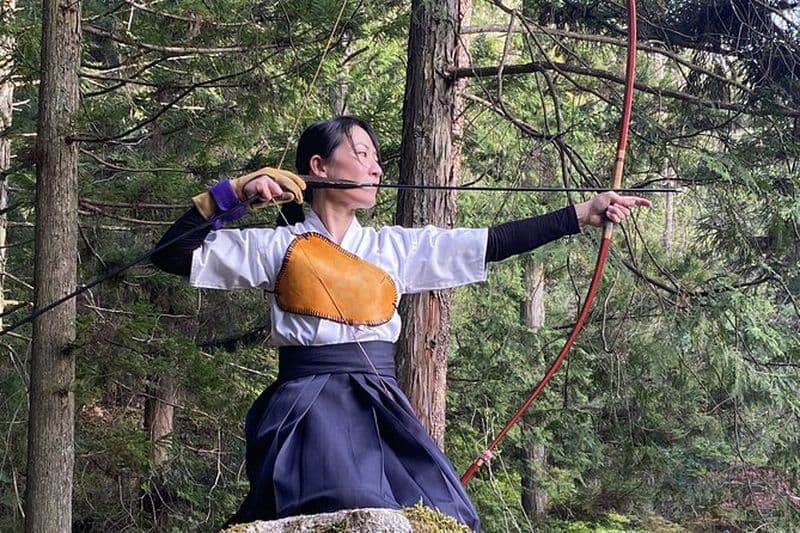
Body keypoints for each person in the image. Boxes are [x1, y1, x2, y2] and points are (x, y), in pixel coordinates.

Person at [151, 116, 651, 530]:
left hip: (381, 405)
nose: (375, 164)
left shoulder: (393, 248)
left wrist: (581, 212)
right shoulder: (277, 245)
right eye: (362, 152)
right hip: (306, 407)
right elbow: (170, 254)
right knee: (341, 498)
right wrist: (232, 194)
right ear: (320, 167)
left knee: (448, 514)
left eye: (374, 155)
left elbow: (490, 243)